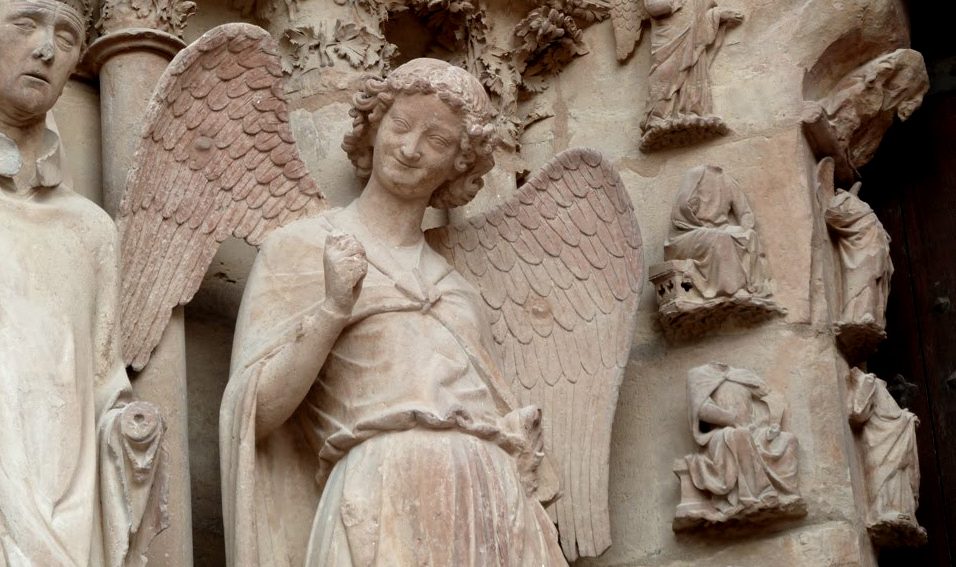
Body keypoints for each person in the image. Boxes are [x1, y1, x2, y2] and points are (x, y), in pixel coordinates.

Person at [220, 58, 566, 566]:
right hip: (379, 485)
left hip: (489, 493)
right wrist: (334, 309)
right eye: (400, 125)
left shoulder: (461, 292)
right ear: (374, 125)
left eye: (438, 141)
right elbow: (257, 412)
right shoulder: (301, 247)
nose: (409, 148)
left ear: (460, 166)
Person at [0, 0, 167, 564]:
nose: (46, 48)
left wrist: (130, 427)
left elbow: (103, 378)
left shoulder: (90, 229)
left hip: (68, 501)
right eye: (25, 24)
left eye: (67, 36)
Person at [684, 363, 800, 516]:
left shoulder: (742, 376)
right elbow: (703, 410)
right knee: (740, 435)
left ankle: (788, 493)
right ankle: (757, 494)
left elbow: (769, 401)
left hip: (753, 429)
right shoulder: (699, 375)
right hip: (721, 434)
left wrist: (772, 426)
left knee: (789, 439)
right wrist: (732, 420)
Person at [663, 164, 771, 300]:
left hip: (718, 230)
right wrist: (693, 210)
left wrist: (745, 229)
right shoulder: (696, 174)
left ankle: (754, 286)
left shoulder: (727, 181)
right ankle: (732, 289)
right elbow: (680, 211)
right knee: (720, 239)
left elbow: (744, 212)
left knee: (750, 236)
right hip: (685, 234)